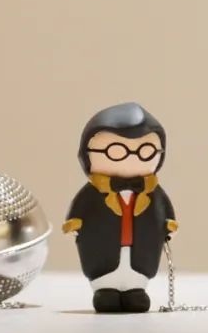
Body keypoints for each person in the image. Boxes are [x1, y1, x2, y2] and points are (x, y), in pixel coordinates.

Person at [64, 102, 177, 313]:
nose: (132, 156)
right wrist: (75, 222)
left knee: (138, 272)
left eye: (145, 151)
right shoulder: (92, 193)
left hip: (142, 247)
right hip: (102, 246)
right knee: (105, 272)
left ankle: (136, 290)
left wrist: (168, 224)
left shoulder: (153, 192)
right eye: (116, 150)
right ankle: (104, 290)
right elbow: (80, 207)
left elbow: (163, 209)